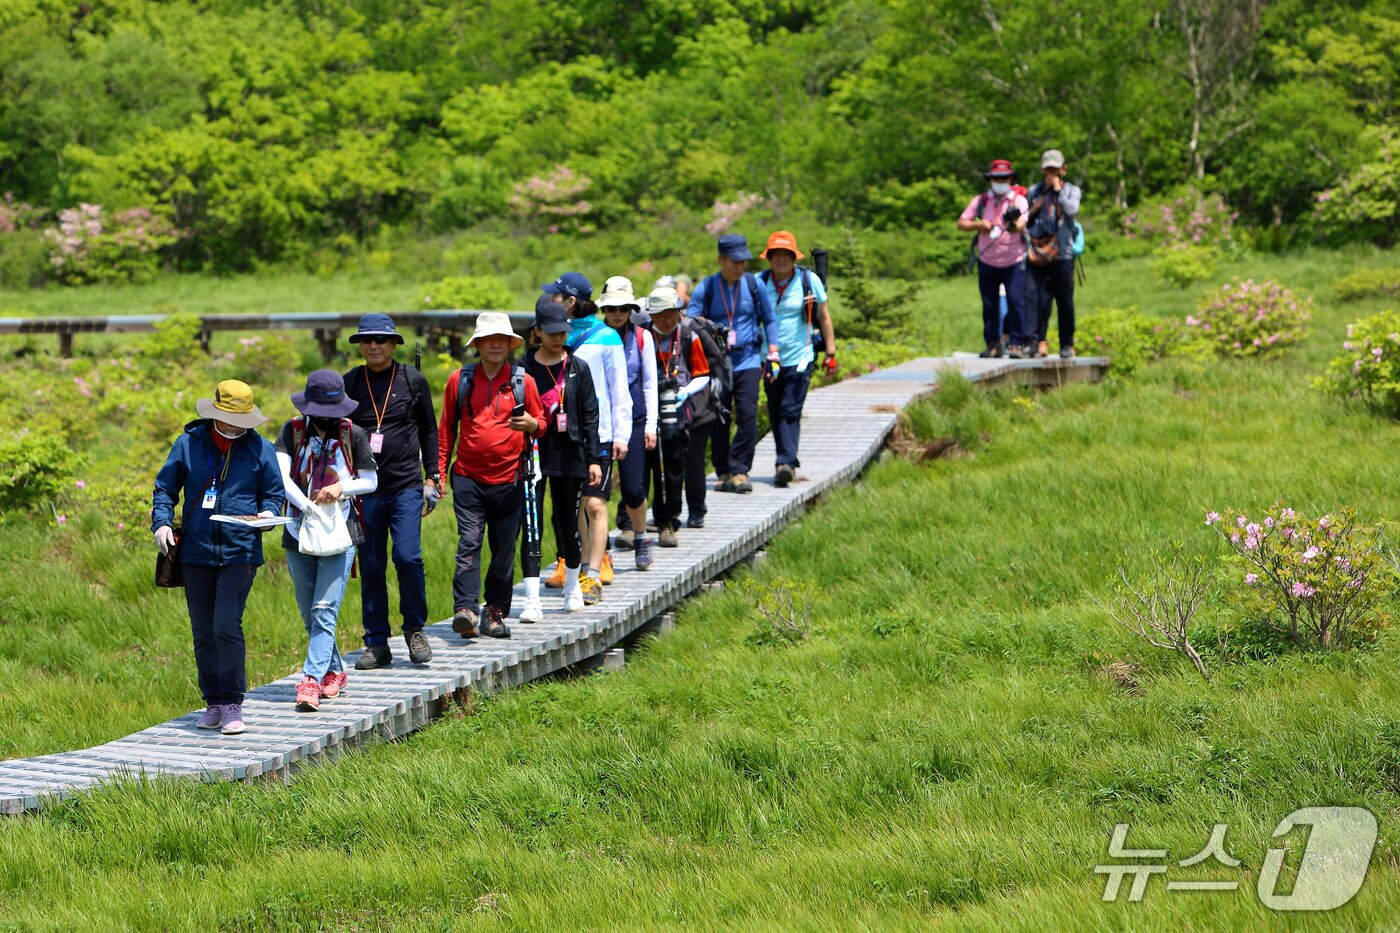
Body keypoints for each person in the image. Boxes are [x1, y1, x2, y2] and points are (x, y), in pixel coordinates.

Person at [152, 379, 283, 736]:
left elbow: (274, 494)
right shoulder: (188, 444)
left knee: (226, 624)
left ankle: (232, 703)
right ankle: (212, 701)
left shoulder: (261, 449)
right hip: (196, 552)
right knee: (203, 630)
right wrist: (162, 523)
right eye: (229, 419)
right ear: (215, 415)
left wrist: (269, 515)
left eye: (243, 420)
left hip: (241, 551)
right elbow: (165, 487)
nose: (237, 427)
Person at [274, 371, 379, 712]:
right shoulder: (292, 431)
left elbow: (370, 481)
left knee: (324, 609)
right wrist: (306, 507)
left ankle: (310, 680)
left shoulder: (353, 434)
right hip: (298, 529)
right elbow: (281, 476)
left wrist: (340, 488)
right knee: (309, 611)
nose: (327, 417)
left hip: (340, 532)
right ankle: (335, 669)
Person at [437, 311, 545, 638]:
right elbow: (446, 430)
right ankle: (466, 609)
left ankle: (495, 611)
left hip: (511, 479)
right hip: (468, 477)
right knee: (469, 542)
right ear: (479, 344)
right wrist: (438, 474)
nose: (495, 345)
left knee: (503, 550)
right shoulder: (460, 380)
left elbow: (542, 424)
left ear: (510, 345)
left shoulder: (523, 382)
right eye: (489, 339)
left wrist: (532, 425)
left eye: (502, 340)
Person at [341, 313, 438, 669]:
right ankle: (376, 642)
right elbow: (337, 432)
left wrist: (433, 477)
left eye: (381, 339)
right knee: (370, 563)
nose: (373, 346)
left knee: (408, 557)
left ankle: (415, 630)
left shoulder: (413, 380)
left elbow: (429, 429)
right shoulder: (350, 382)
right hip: (364, 490)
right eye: (366, 340)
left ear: (394, 343)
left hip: (406, 485)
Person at [545, 271, 630, 605]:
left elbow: (619, 390)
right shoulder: (554, 335)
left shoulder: (607, 337)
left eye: (557, 296)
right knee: (569, 507)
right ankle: (574, 564)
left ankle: (592, 575)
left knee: (594, 504)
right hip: (562, 435)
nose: (551, 301)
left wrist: (621, 435)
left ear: (570, 300)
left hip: (601, 435)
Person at [525, 297, 605, 616]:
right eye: (551, 332)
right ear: (538, 332)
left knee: (567, 523)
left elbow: (590, 415)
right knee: (531, 525)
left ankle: (572, 587)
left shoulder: (577, 367)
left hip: (569, 453)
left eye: (563, 331)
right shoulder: (524, 368)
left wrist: (594, 458)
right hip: (532, 454)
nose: (559, 338)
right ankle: (531, 600)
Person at [686, 234, 778, 494]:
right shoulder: (707, 287)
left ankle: (740, 470)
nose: (740, 267)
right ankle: (723, 470)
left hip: (748, 360)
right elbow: (691, 321)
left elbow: (769, 319)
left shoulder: (753, 285)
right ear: (721, 260)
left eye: (744, 261)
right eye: (734, 261)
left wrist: (773, 350)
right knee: (719, 418)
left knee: (748, 415)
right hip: (717, 363)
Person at [756, 231, 836, 487]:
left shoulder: (807, 280)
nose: (780, 260)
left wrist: (831, 352)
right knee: (776, 408)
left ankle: (785, 462)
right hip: (769, 358)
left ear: (793, 257)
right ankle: (785, 460)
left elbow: (823, 316)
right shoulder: (759, 282)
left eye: (785, 255)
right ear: (769, 258)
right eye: (775, 255)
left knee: (791, 409)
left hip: (801, 357)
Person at [598, 276, 658, 570]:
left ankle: (641, 537)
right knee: (596, 492)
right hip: (599, 425)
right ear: (604, 311)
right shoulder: (595, 337)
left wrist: (651, 426)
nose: (617, 313)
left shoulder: (642, 337)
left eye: (623, 308)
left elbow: (650, 384)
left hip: (633, 421)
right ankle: (599, 549)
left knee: (634, 489)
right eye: (612, 309)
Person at [644, 285, 711, 545]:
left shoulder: (687, 336)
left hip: (677, 415)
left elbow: (702, 374)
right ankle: (631, 524)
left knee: (673, 468)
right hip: (646, 417)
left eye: (672, 313)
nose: (667, 319)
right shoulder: (643, 337)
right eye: (661, 314)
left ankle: (668, 522)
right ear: (651, 315)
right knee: (642, 471)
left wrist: (685, 392)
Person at [958, 159, 1031, 359]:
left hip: (1014, 260)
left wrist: (1012, 223)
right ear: (990, 180)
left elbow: (1021, 225)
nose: (1001, 181)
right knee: (989, 304)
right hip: (987, 260)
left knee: (1016, 302)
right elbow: (962, 222)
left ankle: (1016, 344)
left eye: (1004, 178)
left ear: (1010, 178)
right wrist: (979, 225)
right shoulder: (981, 201)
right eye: (997, 178)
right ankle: (992, 344)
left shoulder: (1018, 201)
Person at [1025, 149, 1083, 358]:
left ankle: (1066, 343)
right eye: (1048, 171)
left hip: (1063, 254)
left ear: (1063, 170)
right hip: (1038, 254)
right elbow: (1025, 220)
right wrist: (1036, 207)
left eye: (1056, 171)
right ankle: (1037, 341)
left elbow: (1072, 211)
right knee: (1038, 299)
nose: (1051, 175)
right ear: (1042, 170)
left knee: (1065, 300)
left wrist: (1058, 190)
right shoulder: (1033, 191)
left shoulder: (1071, 190)